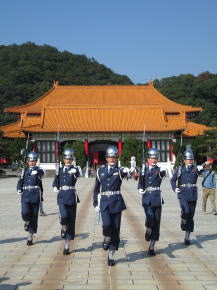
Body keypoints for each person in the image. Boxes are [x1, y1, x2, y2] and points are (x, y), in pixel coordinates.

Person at [93, 145, 132, 266]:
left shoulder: (120, 170)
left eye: (114, 157)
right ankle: (106, 237)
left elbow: (129, 175)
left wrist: (129, 170)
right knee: (107, 225)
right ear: (106, 158)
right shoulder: (101, 171)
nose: (112, 159)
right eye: (110, 157)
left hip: (116, 202)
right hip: (104, 202)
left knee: (116, 229)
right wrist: (95, 202)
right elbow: (96, 188)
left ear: (117, 158)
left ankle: (111, 255)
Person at [171, 150, 211, 245]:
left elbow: (204, 166)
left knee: (191, 216)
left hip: (192, 194)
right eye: (188, 159)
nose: (190, 161)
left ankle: (187, 237)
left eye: (191, 159)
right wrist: (175, 188)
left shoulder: (195, 169)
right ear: (184, 160)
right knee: (186, 211)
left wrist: (207, 162)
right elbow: (172, 180)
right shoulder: (180, 169)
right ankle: (183, 218)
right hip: (183, 193)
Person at [138, 148, 166, 256]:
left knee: (157, 222)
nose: (154, 160)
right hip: (146, 198)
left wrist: (163, 170)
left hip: (157, 198)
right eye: (152, 158)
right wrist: (140, 188)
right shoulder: (143, 169)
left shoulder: (159, 170)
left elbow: (162, 174)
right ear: (148, 158)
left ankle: (151, 246)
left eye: (156, 158)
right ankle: (148, 227)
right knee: (150, 217)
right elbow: (140, 183)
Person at [53, 148, 81, 255]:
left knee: (71, 220)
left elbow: (78, 174)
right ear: (63, 159)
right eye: (66, 159)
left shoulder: (75, 169)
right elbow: (55, 181)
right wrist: (55, 187)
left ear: (72, 159)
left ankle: (67, 244)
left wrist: (75, 171)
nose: (68, 160)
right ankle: (63, 225)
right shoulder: (59, 169)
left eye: (70, 159)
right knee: (64, 215)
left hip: (71, 196)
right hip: (61, 196)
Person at [17, 152, 45, 246]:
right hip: (25, 195)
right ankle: (26, 221)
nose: (32, 162)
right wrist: (18, 189)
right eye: (30, 161)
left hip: (35, 195)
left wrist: (36, 172)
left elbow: (43, 174)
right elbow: (20, 181)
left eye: (34, 161)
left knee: (34, 216)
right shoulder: (24, 171)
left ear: (36, 161)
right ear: (28, 161)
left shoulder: (39, 169)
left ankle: (30, 236)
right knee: (24, 212)